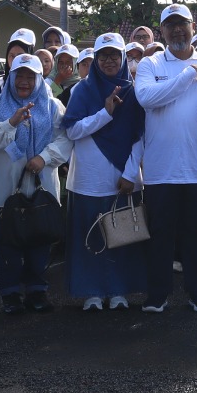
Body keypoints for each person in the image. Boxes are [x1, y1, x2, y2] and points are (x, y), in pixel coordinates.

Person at [133, 3, 197, 313]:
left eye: (182, 24)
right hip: (161, 169)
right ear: (162, 31)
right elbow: (146, 98)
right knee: (160, 234)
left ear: (193, 28)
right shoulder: (151, 63)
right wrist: (186, 76)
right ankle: (158, 295)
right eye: (170, 25)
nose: (177, 30)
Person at [0, 53, 72, 313]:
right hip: (5, 186)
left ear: (40, 79)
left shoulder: (52, 106)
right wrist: (11, 123)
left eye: (31, 76)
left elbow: (65, 139)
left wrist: (44, 157)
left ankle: (36, 291)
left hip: (42, 184)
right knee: (7, 241)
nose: (25, 82)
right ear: (11, 77)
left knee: (40, 239)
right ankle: (10, 294)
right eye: (20, 75)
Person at [63, 32, 145, 310]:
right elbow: (72, 130)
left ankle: (119, 290)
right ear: (95, 59)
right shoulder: (82, 90)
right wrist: (105, 113)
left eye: (114, 55)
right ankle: (92, 292)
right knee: (90, 237)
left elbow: (140, 136)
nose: (109, 61)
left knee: (122, 235)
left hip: (123, 177)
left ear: (123, 58)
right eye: (103, 56)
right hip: (88, 178)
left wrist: (131, 173)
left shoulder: (134, 92)